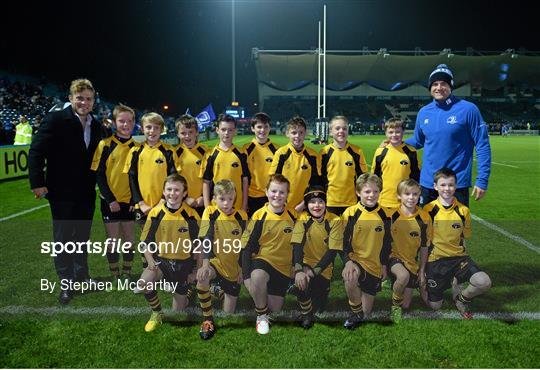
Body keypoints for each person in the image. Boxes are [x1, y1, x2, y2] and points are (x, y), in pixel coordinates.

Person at [28, 78, 103, 305]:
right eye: (79, 98)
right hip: (61, 193)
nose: (84, 102)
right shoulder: (56, 119)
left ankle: (82, 276)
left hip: (86, 192)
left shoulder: (96, 125)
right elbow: (36, 151)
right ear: (70, 98)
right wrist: (37, 182)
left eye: (88, 99)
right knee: (63, 239)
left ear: (93, 101)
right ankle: (66, 283)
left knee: (81, 237)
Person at [405, 64, 491, 206]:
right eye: (435, 84)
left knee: (455, 228)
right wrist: (395, 144)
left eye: (444, 83)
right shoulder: (424, 112)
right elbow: (418, 141)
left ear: (451, 86)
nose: (439, 88)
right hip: (428, 184)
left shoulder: (468, 109)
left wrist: (482, 180)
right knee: (426, 228)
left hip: (455, 184)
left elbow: (482, 145)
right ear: (430, 88)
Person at [423, 168, 491, 319]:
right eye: (443, 185)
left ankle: (462, 298)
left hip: (459, 259)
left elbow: (463, 238)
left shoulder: (463, 211)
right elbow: (423, 242)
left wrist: (465, 260)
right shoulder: (428, 210)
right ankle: (449, 282)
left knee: (484, 282)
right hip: (436, 261)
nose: (447, 189)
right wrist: (423, 268)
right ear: (435, 186)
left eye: (450, 185)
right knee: (435, 306)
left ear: (456, 186)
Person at [123, 112, 179, 294]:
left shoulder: (168, 151)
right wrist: (140, 202)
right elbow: (131, 179)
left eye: (156, 128)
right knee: (146, 240)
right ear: (142, 128)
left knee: (164, 240)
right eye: (148, 127)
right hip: (144, 206)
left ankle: (167, 275)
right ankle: (149, 271)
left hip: (164, 206)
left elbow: (172, 178)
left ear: (162, 130)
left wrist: (162, 201)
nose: (152, 131)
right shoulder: (135, 151)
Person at [139, 174, 200, 332]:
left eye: (177, 190)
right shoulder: (156, 213)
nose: (173, 193)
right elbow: (144, 242)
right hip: (162, 262)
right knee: (144, 282)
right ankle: (156, 313)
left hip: (183, 264)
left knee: (178, 311)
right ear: (164, 192)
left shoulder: (191, 215)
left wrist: (195, 271)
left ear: (184, 193)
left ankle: (189, 290)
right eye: (169, 189)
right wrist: (150, 261)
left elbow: (200, 247)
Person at [241, 174, 297, 334]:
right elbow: (246, 247)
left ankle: (264, 301)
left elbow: (299, 245)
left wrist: (296, 267)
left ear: (287, 194)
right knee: (257, 276)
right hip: (263, 261)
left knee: (275, 309)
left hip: (283, 268)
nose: (277, 196)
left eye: (281, 192)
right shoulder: (259, 215)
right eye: (273, 191)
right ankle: (261, 316)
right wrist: (246, 277)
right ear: (266, 192)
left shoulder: (294, 216)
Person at [90, 104, 138, 286]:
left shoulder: (138, 147)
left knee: (129, 239)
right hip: (110, 202)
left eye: (129, 121)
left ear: (134, 122)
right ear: (114, 122)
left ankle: (126, 272)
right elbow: (99, 174)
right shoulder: (105, 145)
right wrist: (110, 199)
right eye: (121, 121)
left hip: (129, 202)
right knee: (113, 240)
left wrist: (135, 200)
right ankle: (114, 273)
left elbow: (138, 177)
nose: (125, 124)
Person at [196, 179, 248, 340]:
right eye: (222, 199)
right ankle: (207, 320)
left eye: (230, 199)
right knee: (203, 277)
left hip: (232, 268)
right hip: (215, 263)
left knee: (228, 313)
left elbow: (245, 246)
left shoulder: (242, 216)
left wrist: (242, 269)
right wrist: (205, 265)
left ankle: (216, 290)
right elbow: (207, 237)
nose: (226, 203)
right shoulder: (210, 212)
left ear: (235, 198)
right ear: (214, 199)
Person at [341, 173, 393, 329]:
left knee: (367, 312)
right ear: (358, 193)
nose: (372, 195)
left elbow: (386, 244)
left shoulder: (386, 214)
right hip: (356, 260)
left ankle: (360, 308)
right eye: (367, 192)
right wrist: (348, 262)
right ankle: (355, 312)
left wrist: (384, 265)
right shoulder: (350, 213)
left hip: (375, 266)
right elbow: (341, 243)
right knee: (350, 276)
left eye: (376, 191)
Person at [290, 186, 343, 329]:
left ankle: (312, 295)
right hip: (306, 263)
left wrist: (314, 272)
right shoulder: (302, 219)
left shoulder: (335, 220)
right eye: (312, 202)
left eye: (320, 201)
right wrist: (300, 270)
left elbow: (332, 251)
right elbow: (297, 246)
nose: (317, 205)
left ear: (326, 203)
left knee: (319, 306)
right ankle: (306, 314)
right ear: (307, 205)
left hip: (322, 270)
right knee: (301, 280)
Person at [388, 179, 432, 323]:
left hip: (412, 262)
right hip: (393, 258)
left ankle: (403, 288)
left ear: (420, 195)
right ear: (399, 196)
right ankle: (395, 307)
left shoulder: (424, 218)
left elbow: (425, 246)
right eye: (407, 194)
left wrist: (422, 270)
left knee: (406, 304)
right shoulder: (390, 215)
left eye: (415, 194)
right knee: (402, 276)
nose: (411, 197)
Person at [269, 116, 320, 212]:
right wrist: (280, 202)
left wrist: (304, 204)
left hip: (305, 206)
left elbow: (315, 184)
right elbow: (274, 182)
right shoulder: (281, 153)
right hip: (282, 206)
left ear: (306, 133)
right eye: (294, 133)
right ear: (287, 134)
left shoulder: (312, 155)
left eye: (301, 133)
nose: (297, 136)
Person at [319, 116, 368, 216]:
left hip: (351, 202)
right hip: (331, 202)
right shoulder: (324, 152)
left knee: (351, 231)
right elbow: (320, 178)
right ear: (331, 132)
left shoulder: (357, 152)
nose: (341, 131)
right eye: (337, 128)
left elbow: (362, 178)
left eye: (344, 128)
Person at [201, 114, 249, 212]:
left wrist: (244, 206)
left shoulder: (241, 153)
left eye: (230, 130)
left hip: (237, 206)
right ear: (217, 130)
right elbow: (206, 182)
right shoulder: (210, 155)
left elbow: (245, 181)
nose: (226, 133)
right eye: (223, 129)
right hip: (216, 206)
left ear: (235, 131)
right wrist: (207, 207)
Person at [373, 117, 420, 209]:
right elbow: (375, 177)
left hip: (405, 202)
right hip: (384, 201)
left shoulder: (411, 152)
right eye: (390, 132)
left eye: (398, 132)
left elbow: (416, 177)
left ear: (403, 132)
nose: (394, 135)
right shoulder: (380, 152)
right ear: (386, 133)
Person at [242, 112, 279, 216]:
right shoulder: (246, 149)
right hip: (251, 197)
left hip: (271, 197)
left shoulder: (277, 150)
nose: (262, 130)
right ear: (252, 128)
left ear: (270, 128)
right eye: (259, 127)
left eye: (265, 127)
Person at [174, 114, 209, 216]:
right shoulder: (174, 153)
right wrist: (184, 198)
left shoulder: (206, 152)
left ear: (197, 132)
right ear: (178, 134)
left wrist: (204, 197)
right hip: (181, 202)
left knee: (203, 231)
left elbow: (211, 178)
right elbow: (173, 180)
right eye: (183, 133)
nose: (187, 136)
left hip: (202, 201)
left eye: (191, 132)